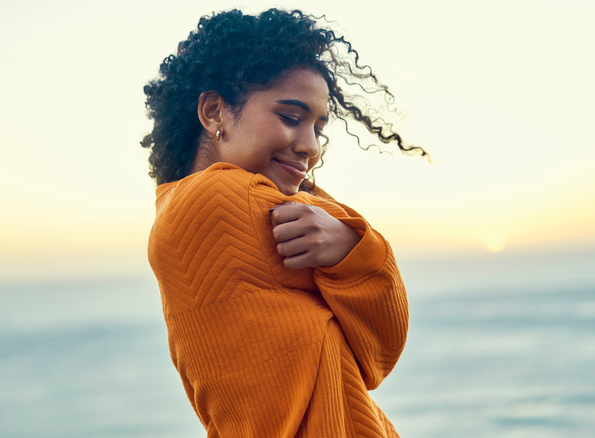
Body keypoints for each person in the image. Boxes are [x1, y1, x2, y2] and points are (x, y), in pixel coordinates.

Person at [142, 8, 425, 437]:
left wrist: (348, 243)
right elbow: (385, 335)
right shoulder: (215, 199)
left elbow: (373, 355)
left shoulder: (181, 205)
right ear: (215, 111)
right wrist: (356, 248)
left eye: (319, 128)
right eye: (291, 118)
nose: (310, 146)